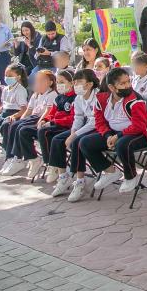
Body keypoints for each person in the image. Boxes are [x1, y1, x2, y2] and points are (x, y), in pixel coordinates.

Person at [79, 67, 147, 194]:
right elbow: (99, 121)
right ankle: (110, 172)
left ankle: (131, 176)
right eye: (122, 83)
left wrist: (118, 136)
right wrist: (108, 135)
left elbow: (139, 126)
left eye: (128, 82)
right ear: (112, 87)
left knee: (122, 144)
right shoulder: (102, 100)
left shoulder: (135, 100)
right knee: (84, 142)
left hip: (139, 134)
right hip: (114, 133)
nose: (128, 86)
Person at [13, 70, 77, 179]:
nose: (60, 85)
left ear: (71, 83)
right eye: (58, 82)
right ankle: (33, 159)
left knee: (44, 131)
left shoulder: (74, 98)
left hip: (65, 127)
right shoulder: (59, 98)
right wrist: (45, 120)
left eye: (62, 82)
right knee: (24, 130)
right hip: (53, 124)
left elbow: (72, 118)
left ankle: (51, 165)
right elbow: (51, 113)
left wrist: (52, 122)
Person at [48, 69, 100, 200]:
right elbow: (78, 117)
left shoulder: (98, 96)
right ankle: (63, 177)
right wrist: (72, 132)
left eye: (79, 82)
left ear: (89, 84)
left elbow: (94, 122)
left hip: (98, 126)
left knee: (77, 142)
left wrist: (74, 135)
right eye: (75, 82)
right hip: (83, 126)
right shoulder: (79, 97)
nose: (76, 85)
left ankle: (80, 181)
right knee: (57, 140)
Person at [0, 70, 58, 176]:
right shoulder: (35, 95)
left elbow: (48, 112)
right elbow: (28, 111)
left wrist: (39, 122)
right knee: (14, 125)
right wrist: (21, 120)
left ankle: (23, 158)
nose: (37, 83)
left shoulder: (52, 94)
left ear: (50, 82)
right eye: (37, 81)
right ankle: (12, 157)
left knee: (22, 130)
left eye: (41, 81)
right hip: (33, 117)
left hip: (41, 118)